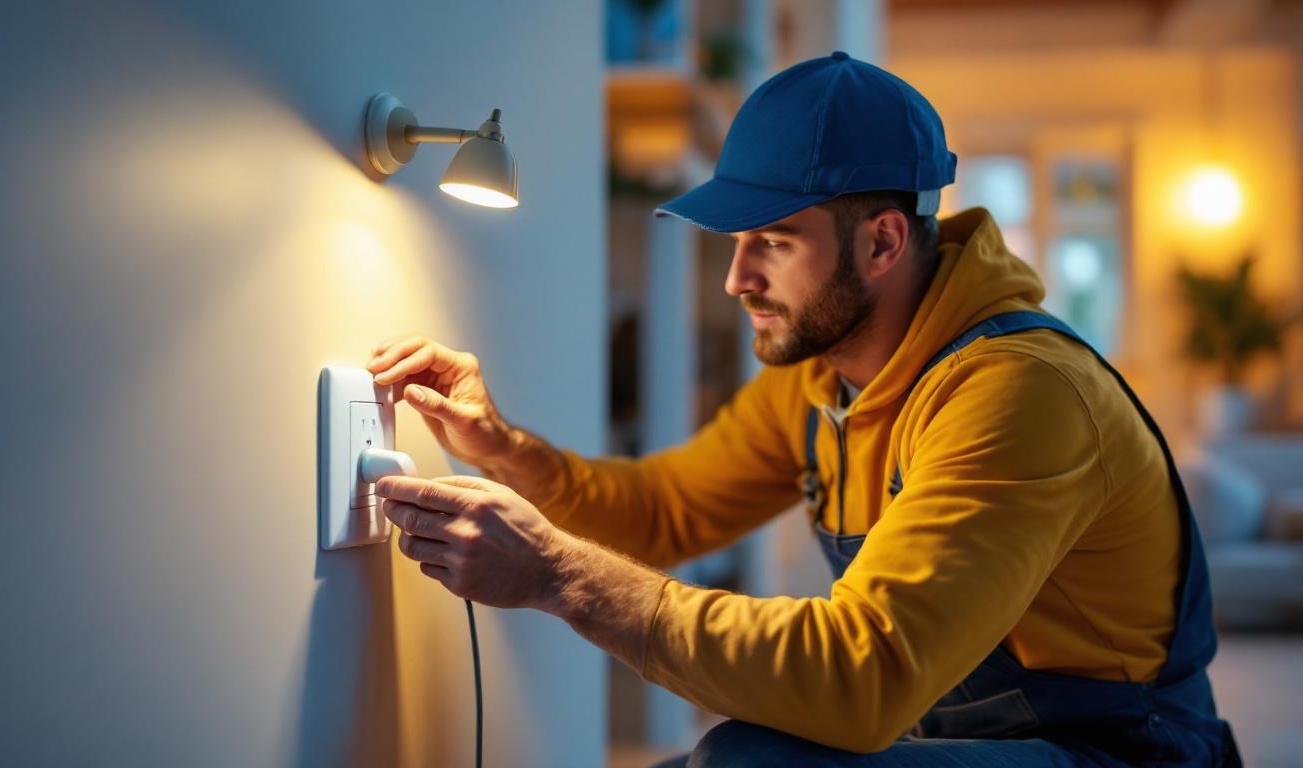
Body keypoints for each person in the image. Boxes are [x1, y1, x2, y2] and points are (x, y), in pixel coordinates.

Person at [367, 53, 1239, 766]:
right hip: (954, 737)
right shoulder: (819, 376)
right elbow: (665, 511)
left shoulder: (1021, 392)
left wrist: (558, 573)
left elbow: (864, 680)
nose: (736, 279)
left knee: (750, 766)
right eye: (737, 242)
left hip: (1119, 752)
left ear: (883, 241)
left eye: (773, 243)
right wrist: (503, 447)